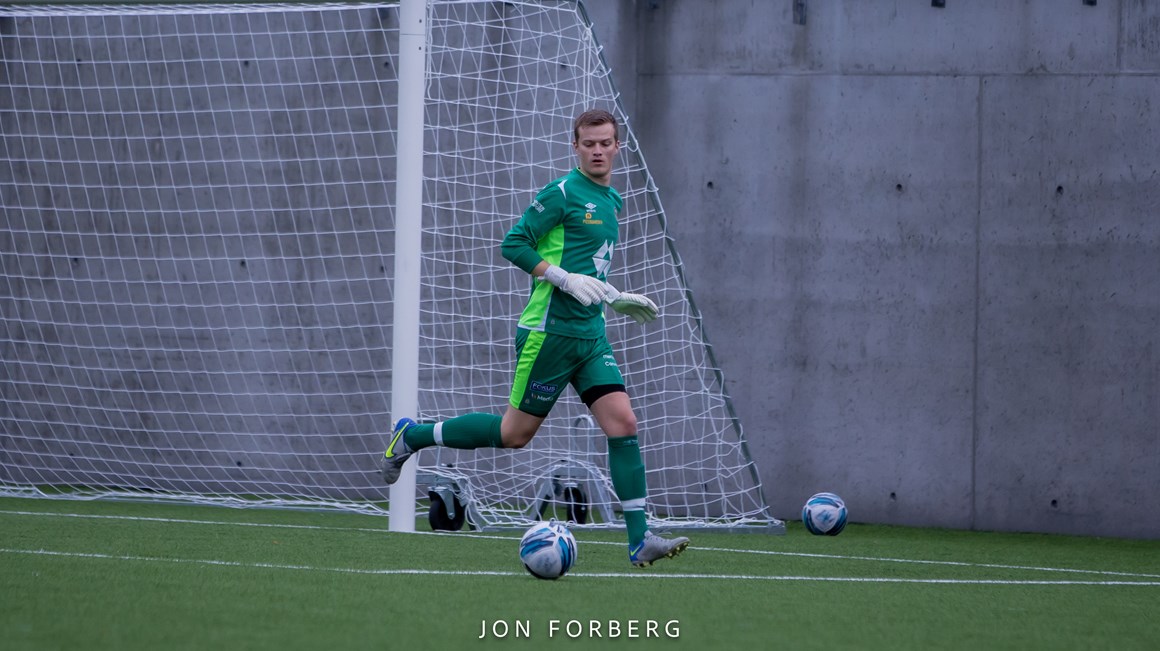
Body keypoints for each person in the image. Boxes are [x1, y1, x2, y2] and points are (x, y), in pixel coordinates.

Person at [381, 108, 689, 568]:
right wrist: (562, 279)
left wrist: (612, 295)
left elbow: (592, 265)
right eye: (590, 143)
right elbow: (514, 243)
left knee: (623, 424)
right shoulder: (562, 193)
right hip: (548, 334)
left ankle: (639, 539)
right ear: (576, 146)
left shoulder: (613, 200)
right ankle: (413, 435)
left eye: (606, 143)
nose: (598, 150)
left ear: (617, 146)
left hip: (590, 336)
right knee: (514, 434)